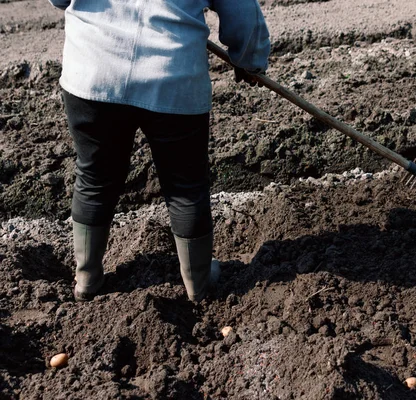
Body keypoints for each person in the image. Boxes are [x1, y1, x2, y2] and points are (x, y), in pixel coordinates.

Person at [47, 0, 270, 301]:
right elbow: (242, 13)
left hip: (94, 68)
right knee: (185, 186)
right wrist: (249, 60)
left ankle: (87, 278)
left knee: (95, 175)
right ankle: (199, 284)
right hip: (172, 75)